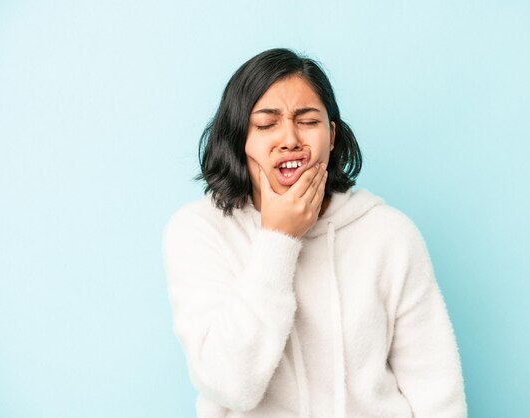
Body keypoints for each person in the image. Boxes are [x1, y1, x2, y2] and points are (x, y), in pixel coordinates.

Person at [162, 48, 467, 418]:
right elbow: (231, 385)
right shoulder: (198, 233)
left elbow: (437, 391)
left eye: (307, 121)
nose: (290, 139)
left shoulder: (390, 234)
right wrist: (278, 238)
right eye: (266, 124)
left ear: (333, 135)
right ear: (238, 138)